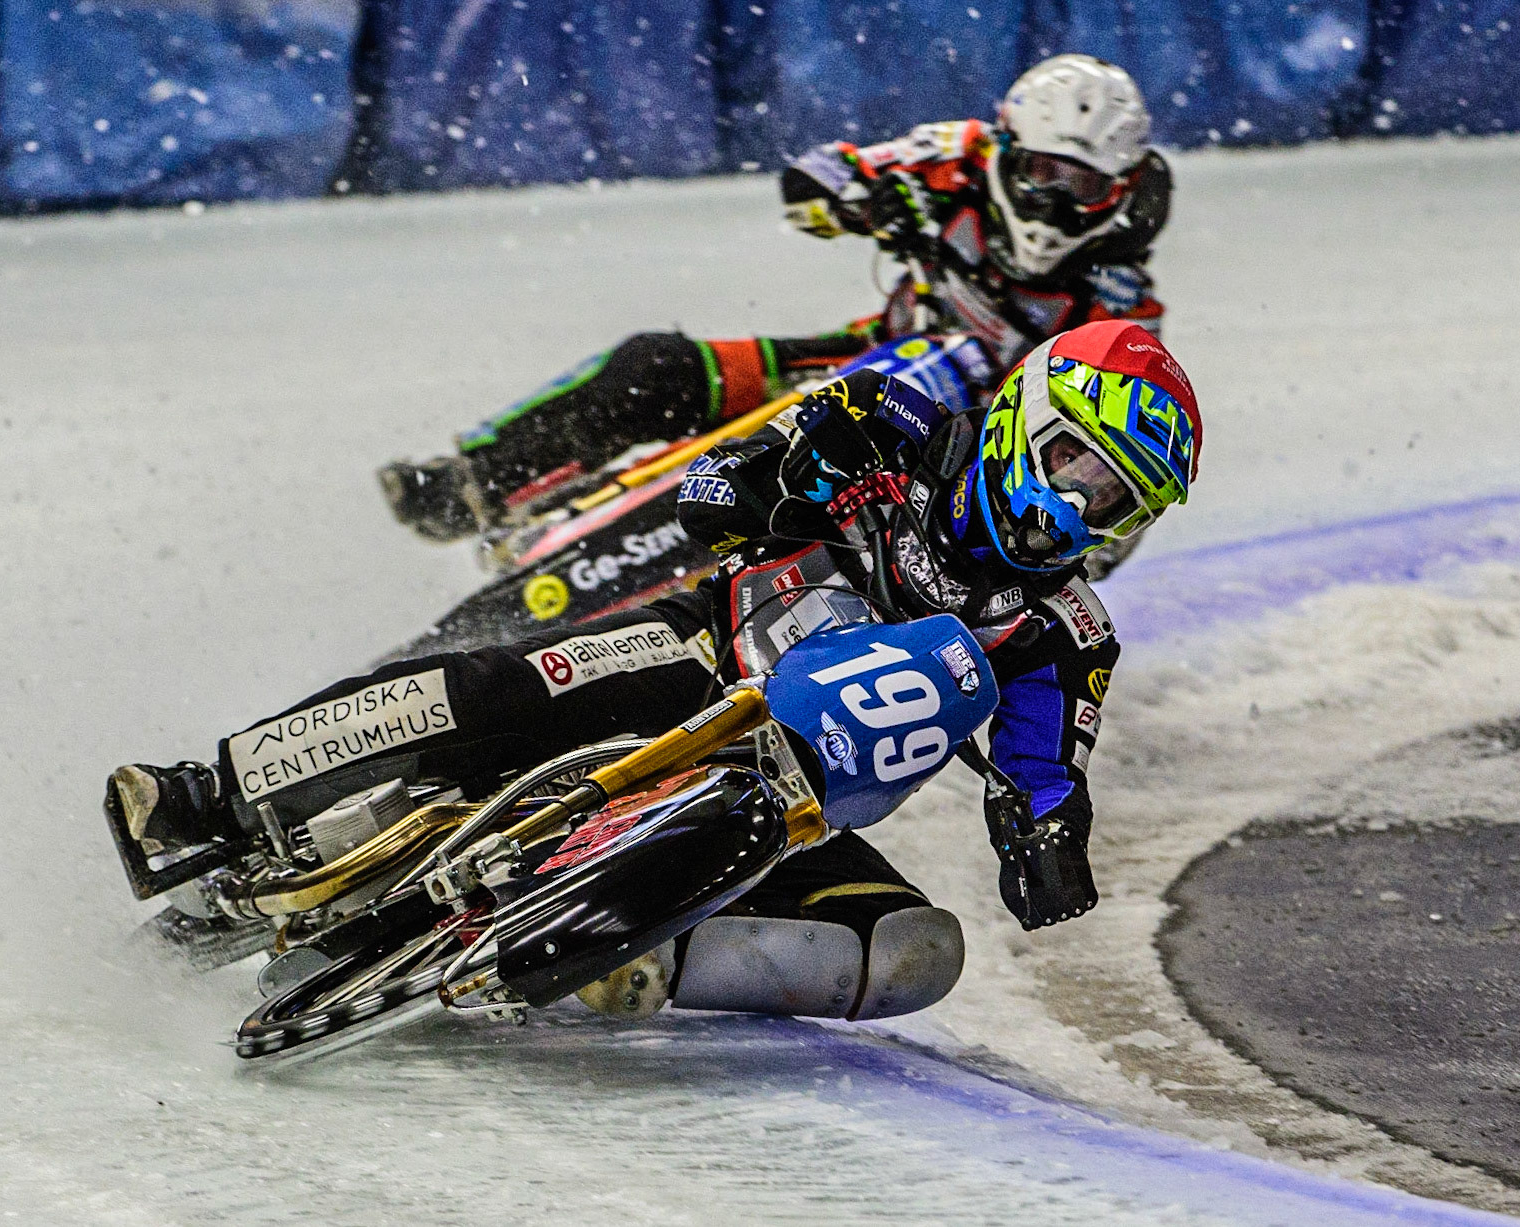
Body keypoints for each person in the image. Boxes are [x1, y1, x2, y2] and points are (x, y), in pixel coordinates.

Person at [109, 320, 1200, 1020]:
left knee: (912, 952)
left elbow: (1048, 771)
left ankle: (636, 961)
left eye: (1114, 500)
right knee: (496, 688)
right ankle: (212, 794)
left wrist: (1049, 842)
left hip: (801, 799)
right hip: (696, 657)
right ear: (1028, 418)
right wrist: (769, 489)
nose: (1075, 507)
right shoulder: (897, 422)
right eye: (1075, 465)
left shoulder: (1071, 635)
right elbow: (715, 485)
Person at [382, 54, 1171, 546]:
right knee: (658, 367)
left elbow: (1126, 470)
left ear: (1122, 187)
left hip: (955, 453)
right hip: (867, 355)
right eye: (1042, 173)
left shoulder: (1121, 304)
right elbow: (813, 179)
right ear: (1006, 148)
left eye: (1084, 185)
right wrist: (868, 202)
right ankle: (474, 482)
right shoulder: (956, 154)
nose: (1055, 203)